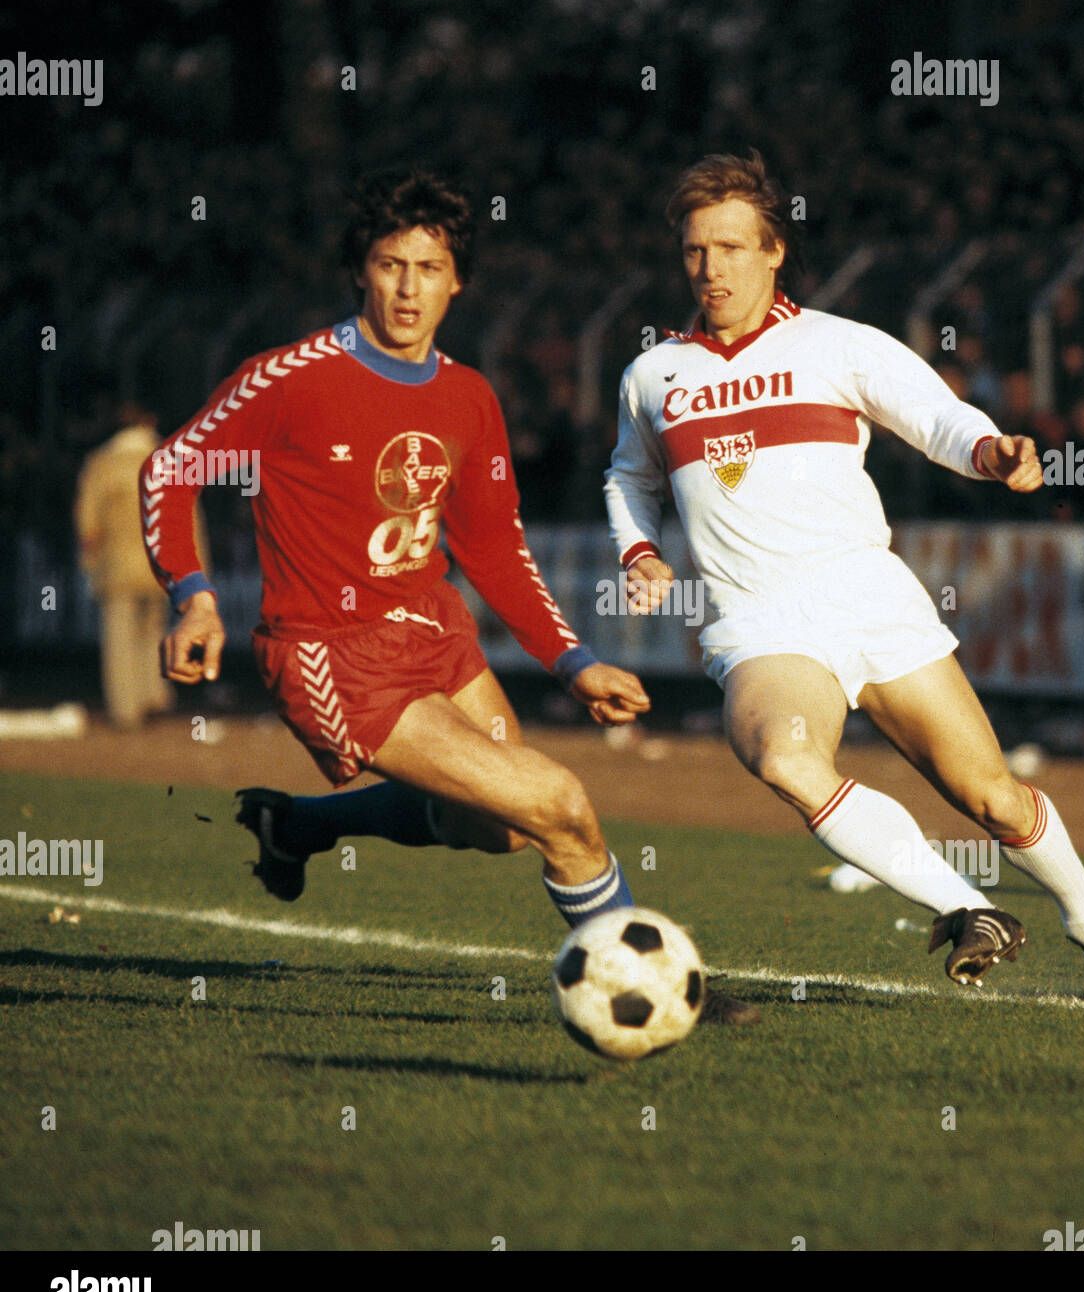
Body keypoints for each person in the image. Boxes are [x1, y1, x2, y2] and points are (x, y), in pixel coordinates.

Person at [139, 163, 759, 1025]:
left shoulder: (467, 397)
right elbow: (171, 470)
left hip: (435, 632)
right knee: (559, 805)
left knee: (501, 827)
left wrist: (573, 661)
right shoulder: (289, 378)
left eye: (429, 270)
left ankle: (303, 827)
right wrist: (195, 595)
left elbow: (493, 545)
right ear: (362, 268)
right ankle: (644, 988)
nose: (407, 289)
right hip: (332, 654)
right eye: (391, 265)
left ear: (457, 282)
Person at [604, 151, 1084, 1000]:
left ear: (772, 250)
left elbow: (934, 415)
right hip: (759, 623)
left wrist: (991, 448)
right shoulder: (654, 375)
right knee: (784, 760)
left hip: (868, 597)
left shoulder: (836, 344)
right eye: (694, 251)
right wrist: (638, 550)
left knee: (995, 802)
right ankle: (967, 908)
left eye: (728, 247)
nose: (710, 268)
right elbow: (629, 476)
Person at [75, 402, 183, 728]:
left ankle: (126, 709)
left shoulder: (102, 462)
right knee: (152, 632)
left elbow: (88, 522)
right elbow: (187, 518)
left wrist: (89, 562)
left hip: (118, 564)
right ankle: (153, 696)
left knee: (120, 637)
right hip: (160, 563)